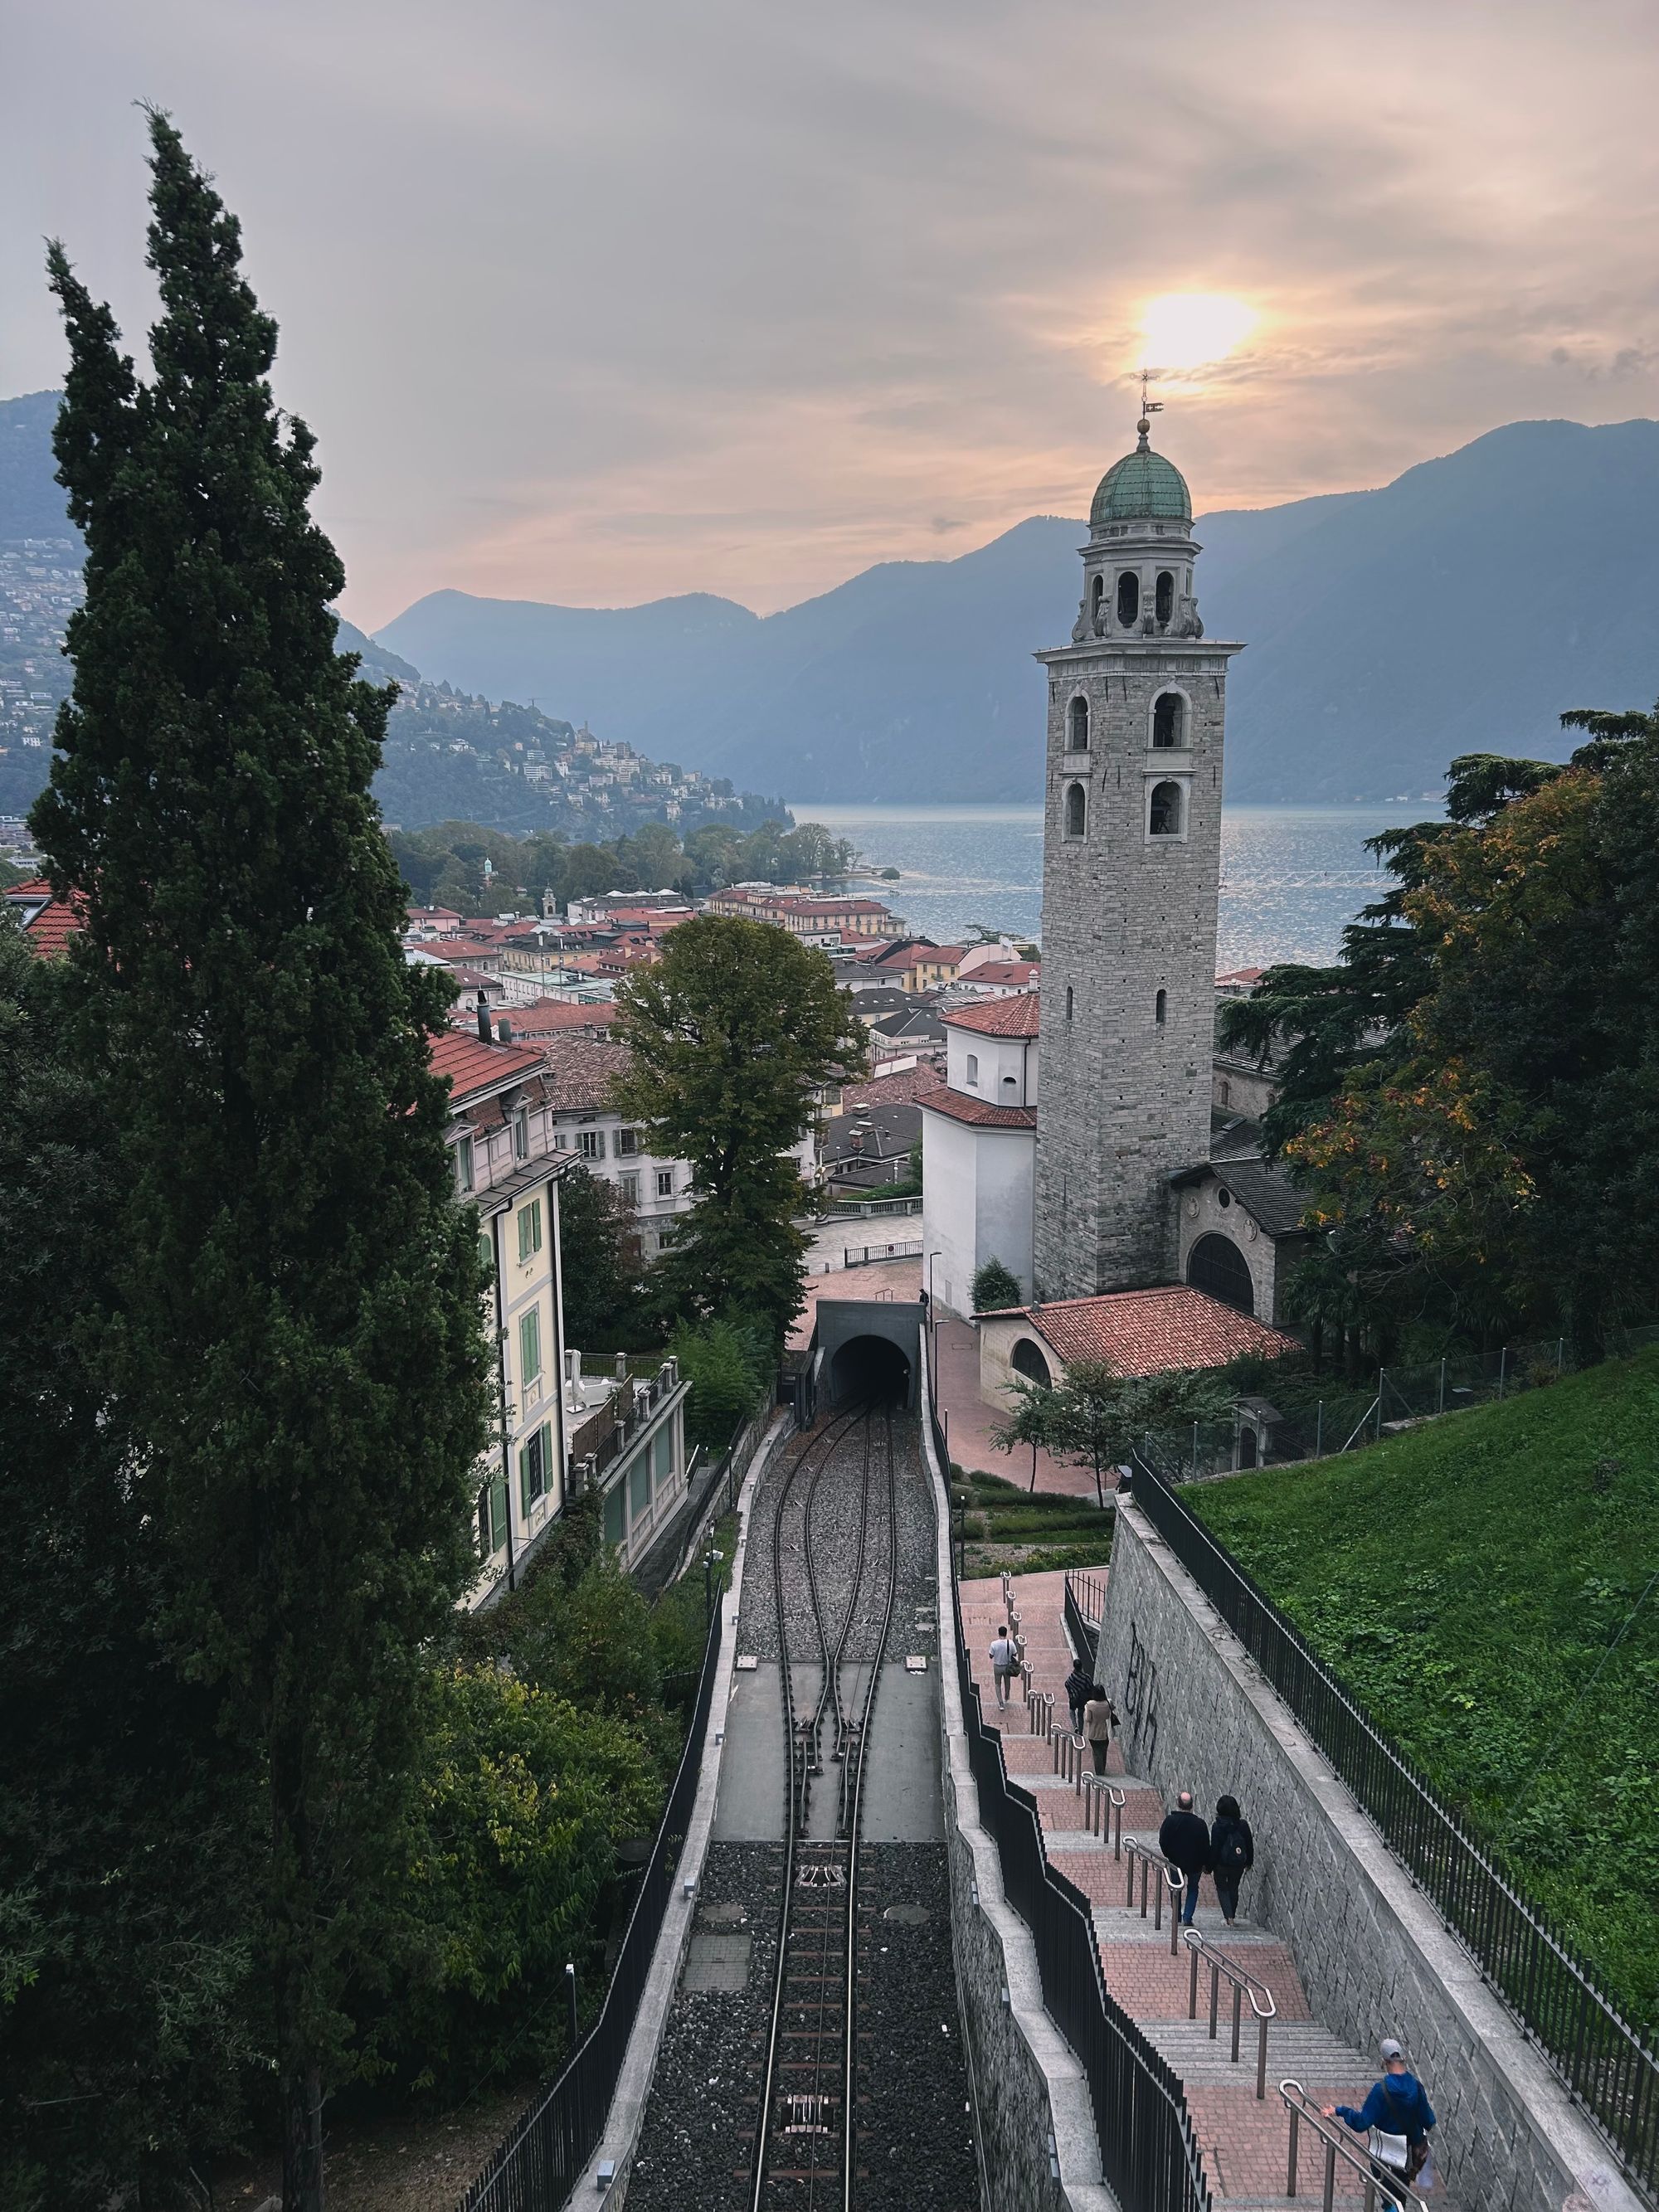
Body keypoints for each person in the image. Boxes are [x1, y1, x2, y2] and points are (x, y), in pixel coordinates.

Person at [1324, 2040, 1437, 2185]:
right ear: (1404, 2059)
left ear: (1384, 2062)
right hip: (1407, 2153)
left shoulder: (1380, 2090)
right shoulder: (1416, 2087)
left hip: (1384, 2153)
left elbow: (1361, 2123)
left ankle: (1391, 2206)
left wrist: (1339, 2111)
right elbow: (1428, 2121)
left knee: (1387, 2190)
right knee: (1400, 2188)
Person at [1157, 1788, 1210, 1926]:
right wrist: (1205, 1863)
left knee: (1175, 1888)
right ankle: (1187, 1917)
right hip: (1195, 1864)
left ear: (1178, 1804)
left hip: (1175, 1863)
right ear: (1192, 1805)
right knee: (1193, 1888)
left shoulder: (1170, 1821)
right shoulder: (1200, 1824)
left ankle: (1176, 1916)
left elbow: (1163, 1840)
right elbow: (1206, 1846)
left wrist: (1168, 1855)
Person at [1209, 1794, 1254, 1925]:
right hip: (1238, 1864)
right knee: (1234, 1888)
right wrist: (1249, 1862)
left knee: (1222, 1889)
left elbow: (1215, 1848)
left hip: (1221, 1865)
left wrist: (1210, 1866)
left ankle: (1229, 1917)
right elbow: (1249, 1845)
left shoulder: (1217, 1827)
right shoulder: (1243, 1825)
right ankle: (1231, 1916)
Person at [1082, 1689, 1117, 1775]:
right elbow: (1113, 1709)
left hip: (1093, 1733)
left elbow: (1088, 1719)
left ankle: (1099, 1771)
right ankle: (1103, 1768)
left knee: (1096, 1752)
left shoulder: (1089, 1705)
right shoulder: (1108, 1703)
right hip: (1105, 1732)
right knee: (1103, 1751)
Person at [988, 1626, 1018, 1709]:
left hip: (997, 1666)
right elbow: (1015, 1654)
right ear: (1006, 1633)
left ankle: (1001, 1703)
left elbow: (991, 1655)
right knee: (1007, 1682)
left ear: (998, 1633)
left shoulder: (994, 1644)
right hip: (1007, 1667)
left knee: (997, 1684)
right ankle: (1006, 1696)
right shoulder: (1010, 1643)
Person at [1064, 1660, 1093, 1733]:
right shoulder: (1086, 1678)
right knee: (1080, 1715)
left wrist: (1071, 1694)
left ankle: (1075, 1726)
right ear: (1081, 1666)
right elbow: (1091, 1687)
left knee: (1072, 1711)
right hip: (1083, 1700)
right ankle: (1080, 1732)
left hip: (1074, 1698)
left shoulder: (1072, 1677)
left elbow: (1067, 1684)